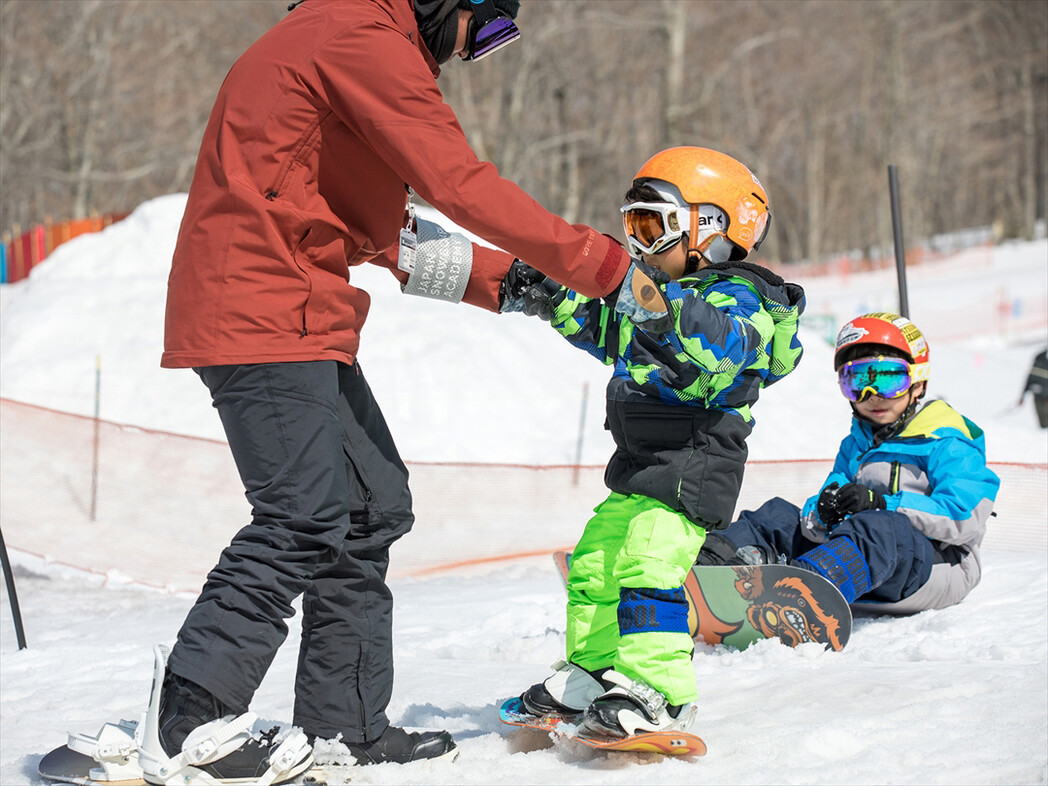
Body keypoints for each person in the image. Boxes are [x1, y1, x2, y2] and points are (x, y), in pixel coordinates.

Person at [113, 1, 634, 784]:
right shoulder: (357, 36)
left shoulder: (341, 42)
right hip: (258, 306)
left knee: (368, 508)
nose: (470, 51)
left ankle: (343, 728)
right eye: (484, 27)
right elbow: (458, 181)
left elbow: (387, 231)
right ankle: (189, 719)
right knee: (300, 512)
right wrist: (603, 266)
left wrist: (518, 283)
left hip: (295, 309)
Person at [500, 146, 806, 738]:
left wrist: (642, 294)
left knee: (648, 565)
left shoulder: (741, 297)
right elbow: (604, 325)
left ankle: (662, 693)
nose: (640, 244)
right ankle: (592, 671)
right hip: (640, 464)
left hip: (695, 462)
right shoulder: (654, 295)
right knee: (595, 563)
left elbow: (721, 352)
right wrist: (552, 295)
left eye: (653, 226)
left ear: (713, 230)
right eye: (632, 226)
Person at [701, 313, 1001, 617]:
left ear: (918, 383)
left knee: (882, 525)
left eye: (888, 379)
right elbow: (821, 509)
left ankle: (800, 596)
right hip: (864, 563)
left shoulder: (947, 440)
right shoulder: (857, 443)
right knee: (777, 515)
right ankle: (705, 569)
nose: (872, 396)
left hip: (937, 568)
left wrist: (885, 504)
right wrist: (822, 511)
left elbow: (964, 516)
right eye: (857, 381)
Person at [1019, 348, 1048, 428]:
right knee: (1042, 420)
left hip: (1045, 398)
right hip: (1038, 397)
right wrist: (1022, 397)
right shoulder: (1034, 369)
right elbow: (1028, 383)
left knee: (1045, 419)